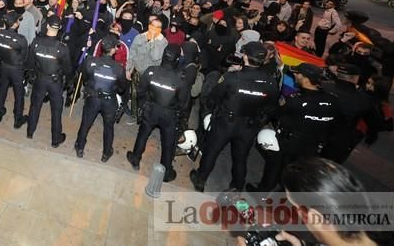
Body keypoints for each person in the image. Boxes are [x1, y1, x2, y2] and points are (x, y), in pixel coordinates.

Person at [190, 42, 279, 192]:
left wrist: (211, 111)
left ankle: (200, 179)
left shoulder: (231, 78)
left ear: (245, 57)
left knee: (212, 151)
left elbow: (213, 98)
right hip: (249, 126)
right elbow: (271, 108)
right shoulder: (270, 82)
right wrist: (259, 122)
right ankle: (237, 187)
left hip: (225, 122)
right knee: (240, 158)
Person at [247, 63, 337, 193]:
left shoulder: (296, 100)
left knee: (274, 167)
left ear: (305, 78)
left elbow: (276, 113)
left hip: (288, 143)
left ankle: (262, 193)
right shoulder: (332, 100)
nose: (295, 75)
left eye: (297, 73)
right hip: (312, 146)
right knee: (297, 173)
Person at [127, 44, 189, 181]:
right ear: (177, 60)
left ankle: (135, 159)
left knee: (143, 134)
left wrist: (145, 105)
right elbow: (184, 103)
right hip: (169, 115)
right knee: (168, 143)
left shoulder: (151, 71)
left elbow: (141, 91)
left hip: (151, 109)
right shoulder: (181, 80)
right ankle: (165, 173)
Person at [74, 34, 127, 163]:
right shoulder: (119, 68)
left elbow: (85, 78)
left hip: (92, 98)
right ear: (113, 49)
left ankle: (80, 147)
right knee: (108, 126)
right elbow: (122, 88)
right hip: (109, 101)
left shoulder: (91, 61)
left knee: (86, 123)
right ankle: (106, 153)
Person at [26, 15, 72, 147]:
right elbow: (68, 68)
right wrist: (68, 81)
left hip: (40, 79)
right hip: (55, 82)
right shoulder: (62, 48)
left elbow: (30, 63)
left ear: (47, 26)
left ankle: (30, 131)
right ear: (60, 28)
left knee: (35, 106)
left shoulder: (36, 42)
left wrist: (32, 75)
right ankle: (55, 139)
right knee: (56, 110)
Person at [320, 63, 376, 163]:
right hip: (338, 142)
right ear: (356, 78)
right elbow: (373, 122)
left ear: (337, 74)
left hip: (315, 134)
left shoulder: (322, 86)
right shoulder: (364, 99)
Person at [126, 17, 168, 121]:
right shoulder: (140, 37)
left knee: (147, 97)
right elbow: (132, 53)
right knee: (135, 94)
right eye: (153, 26)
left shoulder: (163, 42)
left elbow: (155, 57)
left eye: (158, 27)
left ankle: (145, 117)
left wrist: (153, 41)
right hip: (137, 70)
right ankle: (134, 115)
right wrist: (129, 68)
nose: (154, 29)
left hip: (151, 75)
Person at [0, 11, 29, 128]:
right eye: (18, 20)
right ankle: (17, 120)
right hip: (16, 69)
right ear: (15, 24)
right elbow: (25, 57)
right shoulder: (21, 39)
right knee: (19, 94)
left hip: (3, 66)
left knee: (1, 90)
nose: (19, 22)